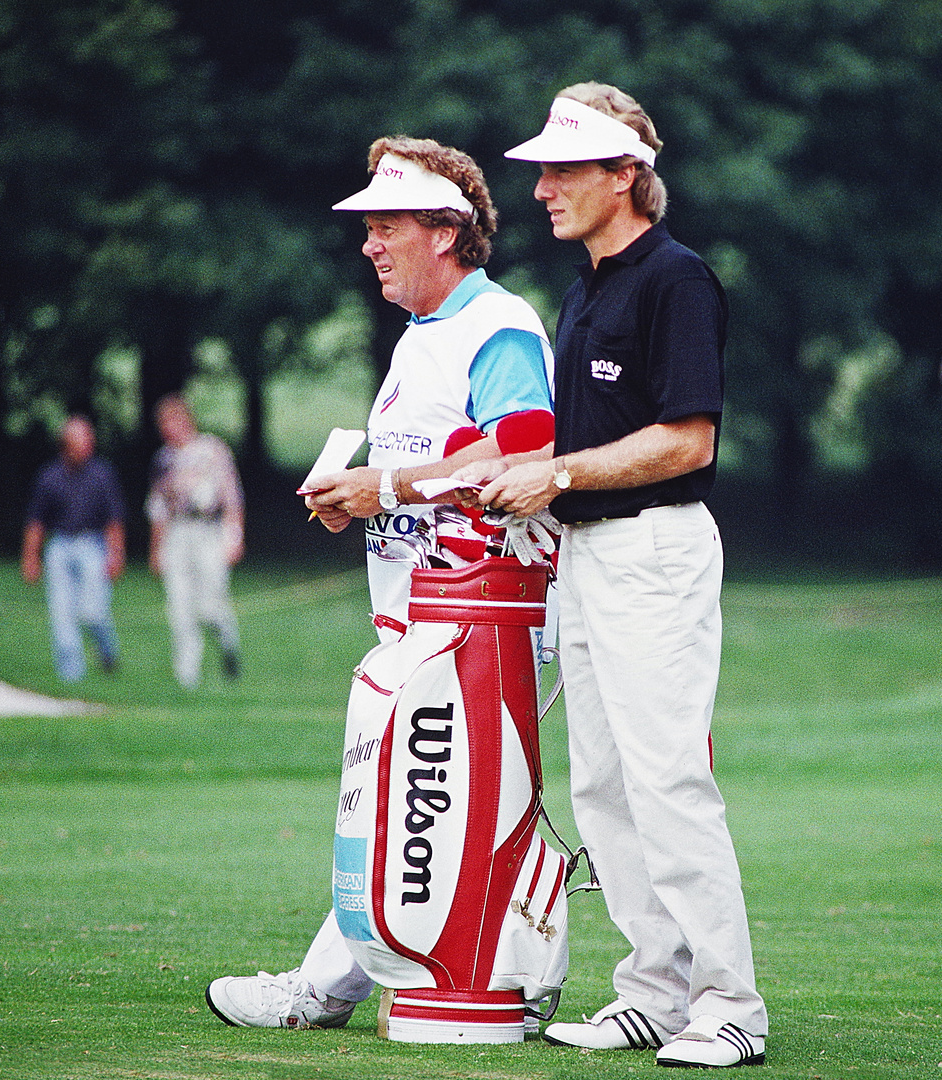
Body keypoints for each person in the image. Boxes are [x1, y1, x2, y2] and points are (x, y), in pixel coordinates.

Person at [203, 135, 555, 1031]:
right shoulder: (418, 339)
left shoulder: (496, 324)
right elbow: (426, 470)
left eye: (385, 225)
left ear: (445, 231)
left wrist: (384, 488)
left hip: (483, 619)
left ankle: (323, 992)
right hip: (425, 617)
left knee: (413, 808)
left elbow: (523, 445)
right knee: (419, 809)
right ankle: (516, 961)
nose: (368, 243)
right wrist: (355, 503)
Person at [458, 83, 768, 1068]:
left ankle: (729, 1005)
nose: (542, 188)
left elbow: (684, 440)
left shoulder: (676, 280)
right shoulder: (585, 285)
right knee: (599, 784)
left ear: (624, 174)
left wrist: (553, 474)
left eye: (563, 169)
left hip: (654, 549)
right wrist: (512, 479)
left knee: (667, 777)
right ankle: (652, 987)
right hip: (585, 556)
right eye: (541, 169)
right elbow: (578, 440)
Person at [146, 394, 245, 688]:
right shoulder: (163, 459)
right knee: (179, 604)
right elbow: (157, 507)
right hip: (177, 533)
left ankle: (228, 641)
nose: (167, 428)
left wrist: (234, 537)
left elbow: (231, 496)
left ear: (186, 419)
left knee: (210, 603)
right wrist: (156, 549)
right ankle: (186, 674)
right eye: (162, 423)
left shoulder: (212, 450)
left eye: (172, 420)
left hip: (208, 531)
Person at [21, 415, 125, 681]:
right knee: (62, 610)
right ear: (66, 444)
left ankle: (107, 651)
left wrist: (116, 554)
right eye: (82, 439)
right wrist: (31, 559)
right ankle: (71, 673)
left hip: (93, 545)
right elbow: (36, 522)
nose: (89, 443)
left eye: (90, 437)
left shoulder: (103, 473)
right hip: (60, 546)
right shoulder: (49, 477)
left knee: (93, 610)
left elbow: (114, 520)